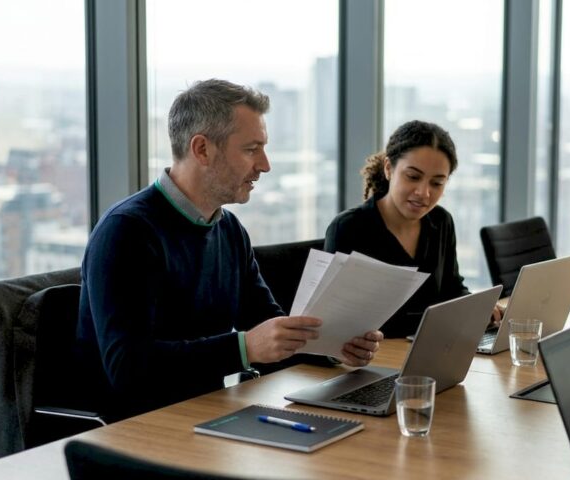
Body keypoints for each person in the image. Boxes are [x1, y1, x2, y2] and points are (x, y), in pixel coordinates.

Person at [77, 79, 383, 419]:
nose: (265, 165)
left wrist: (333, 346)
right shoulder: (128, 231)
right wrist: (245, 347)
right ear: (202, 149)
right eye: (251, 149)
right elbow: (128, 369)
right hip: (138, 430)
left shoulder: (229, 229)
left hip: (207, 414)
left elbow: (267, 323)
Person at [325, 120, 501, 338]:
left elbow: (452, 289)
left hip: (430, 350)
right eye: (413, 177)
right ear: (389, 169)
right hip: (371, 359)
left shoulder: (441, 222)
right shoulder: (349, 228)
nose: (423, 193)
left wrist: (476, 306)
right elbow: (336, 322)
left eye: (437, 183)